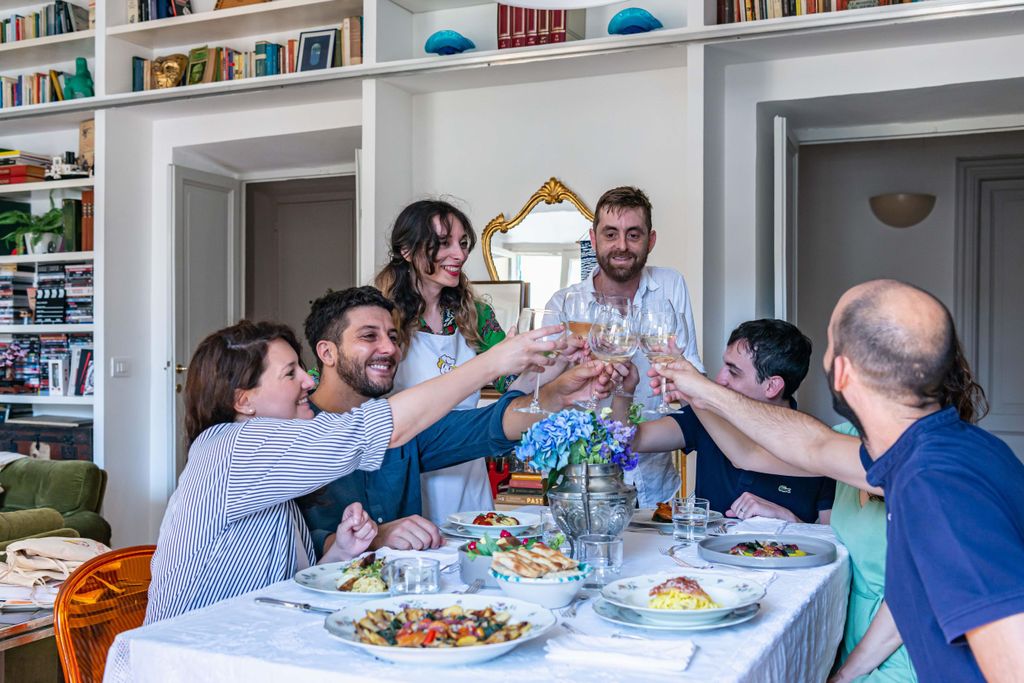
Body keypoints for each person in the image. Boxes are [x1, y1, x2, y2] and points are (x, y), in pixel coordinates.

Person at [650, 279, 1024, 683]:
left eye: (831, 345)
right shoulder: (917, 452)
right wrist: (843, 676)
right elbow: (810, 445)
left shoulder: (935, 485)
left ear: (842, 371)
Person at [146, 317, 562, 623]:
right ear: (244, 401)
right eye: (290, 374)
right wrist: (491, 363)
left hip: (248, 634)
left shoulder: (271, 447)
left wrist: (342, 550)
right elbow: (379, 427)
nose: (307, 381)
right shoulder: (236, 446)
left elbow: (277, 573)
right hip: (193, 648)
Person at [297, 287, 614, 553]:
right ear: (327, 353)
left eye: (393, 337)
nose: (390, 349)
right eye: (369, 336)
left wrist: (557, 395)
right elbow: (302, 542)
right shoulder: (292, 432)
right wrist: (376, 538)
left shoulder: (405, 425)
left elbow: (488, 426)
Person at [544, 185, 704, 508]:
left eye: (633, 235)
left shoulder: (671, 286)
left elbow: (693, 374)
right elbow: (543, 397)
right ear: (593, 238)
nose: (621, 246)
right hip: (584, 490)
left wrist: (676, 385)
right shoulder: (564, 306)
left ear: (651, 240)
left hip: (657, 492)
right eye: (610, 234)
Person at [374, 199, 516, 525]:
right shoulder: (379, 319)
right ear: (407, 251)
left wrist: (546, 365)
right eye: (443, 243)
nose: (461, 254)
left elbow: (516, 388)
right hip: (410, 479)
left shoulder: (476, 317)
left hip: (470, 478)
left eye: (463, 243)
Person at [618, 319, 834, 523]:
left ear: (772, 386)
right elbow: (630, 442)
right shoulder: (707, 416)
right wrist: (623, 391)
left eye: (734, 372)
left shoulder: (815, 443)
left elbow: (836, 544)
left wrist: (786, 518)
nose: (720, 378)